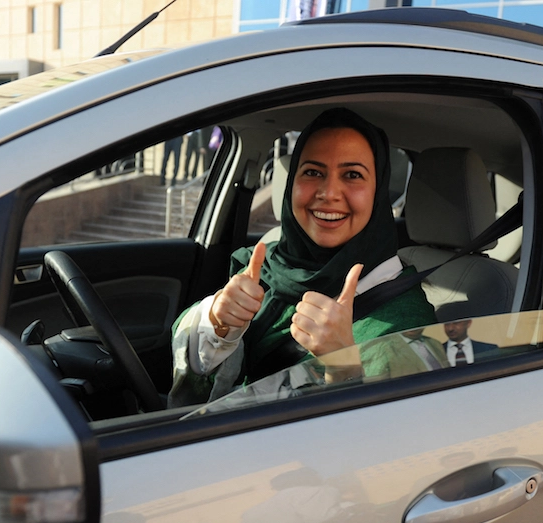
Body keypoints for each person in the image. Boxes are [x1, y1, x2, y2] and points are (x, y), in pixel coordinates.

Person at [169, 108, 436, 405]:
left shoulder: (408, 325)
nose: (329, 192)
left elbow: (396, 437)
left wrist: (342, 364)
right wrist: (218, 322)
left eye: (352, 175)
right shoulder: (268, 267)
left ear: (378, 193)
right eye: (312, 172)